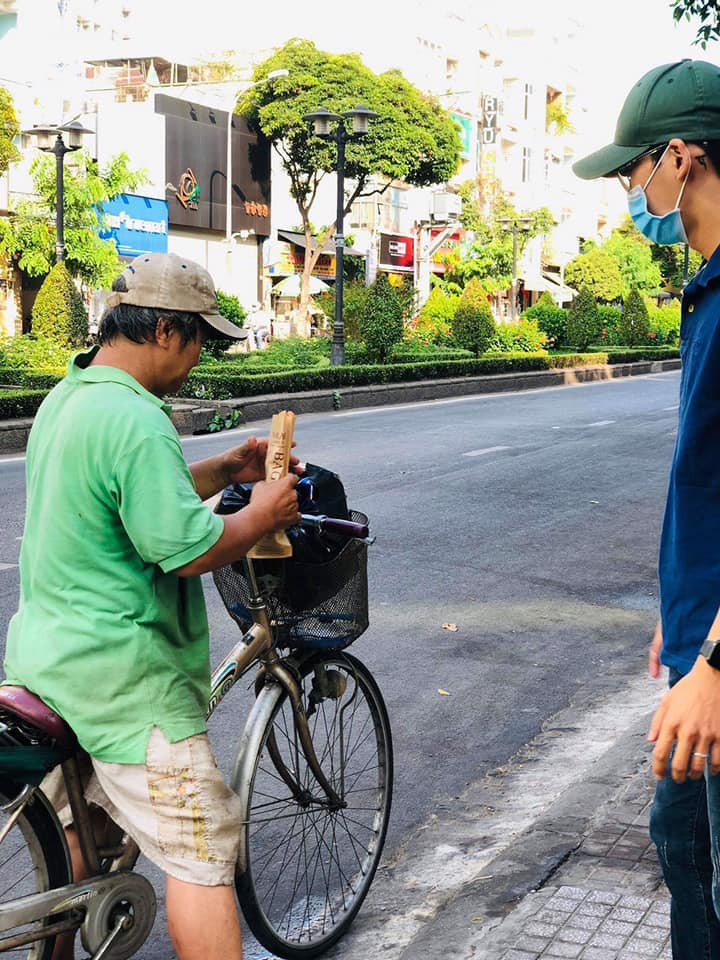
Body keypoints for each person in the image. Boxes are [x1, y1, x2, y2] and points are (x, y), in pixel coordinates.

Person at [2, 252, 301, 960]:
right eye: (200, 338)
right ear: (167, 330)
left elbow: (133, 500)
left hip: (49, 660)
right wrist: (263, 514)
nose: (200, 356)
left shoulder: (72, 396)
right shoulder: (137, 420)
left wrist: (226, 471)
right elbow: (185, 548)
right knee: (203, 852)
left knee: (78, 831)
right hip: (125, 682)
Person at [574, 59, 720, 958]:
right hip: (699, 642)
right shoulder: (706, 285)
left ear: (681, 157)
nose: (630, 192)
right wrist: (684, 621)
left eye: (633, 173)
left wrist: (716, 661)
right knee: (682, 844)